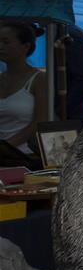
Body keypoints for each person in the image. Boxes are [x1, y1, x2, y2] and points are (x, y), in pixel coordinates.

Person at [0, 22, 47, 168]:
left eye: (6, 42)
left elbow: (40, 121)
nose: (0, 46)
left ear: (26, 46)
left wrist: (8, 146)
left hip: (24, 158)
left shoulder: (39, 79)